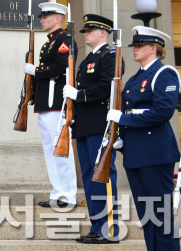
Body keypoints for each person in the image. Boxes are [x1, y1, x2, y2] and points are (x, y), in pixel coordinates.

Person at [107, 26, 181, 251]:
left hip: (155, 153)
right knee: (147, 214)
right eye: (134, 45)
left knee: (162, 213)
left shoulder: (164, 73)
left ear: (153, 48)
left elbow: (162, 112)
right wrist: (119, 137)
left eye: (139, 45)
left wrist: (125, 120)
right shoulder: (134, 78)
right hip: (135, 154)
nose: (135, 49)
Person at [63, 14, 121, 244]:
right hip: (85, 125)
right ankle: (97, 225)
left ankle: (109, 227)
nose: (85, 34)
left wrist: (79, 95)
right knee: (89, 177)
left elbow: (108, 86)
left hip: (99, 124)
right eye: (85, 31)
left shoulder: (111, 56)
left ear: (103, 33)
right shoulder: (89, 58)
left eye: (90, 30)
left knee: (102, 176)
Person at [24, 2, 77, 207]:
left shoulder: (65, 40)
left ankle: (68, 194)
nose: (41, 19)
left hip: (56, 103)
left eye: (46, 16)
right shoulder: (49, 43)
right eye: (41, 16)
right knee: (50, 151)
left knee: (61, 150)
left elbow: (61, 66)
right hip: (44, 103)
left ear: (58, 18)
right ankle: (57, 192)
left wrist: (35, 72)